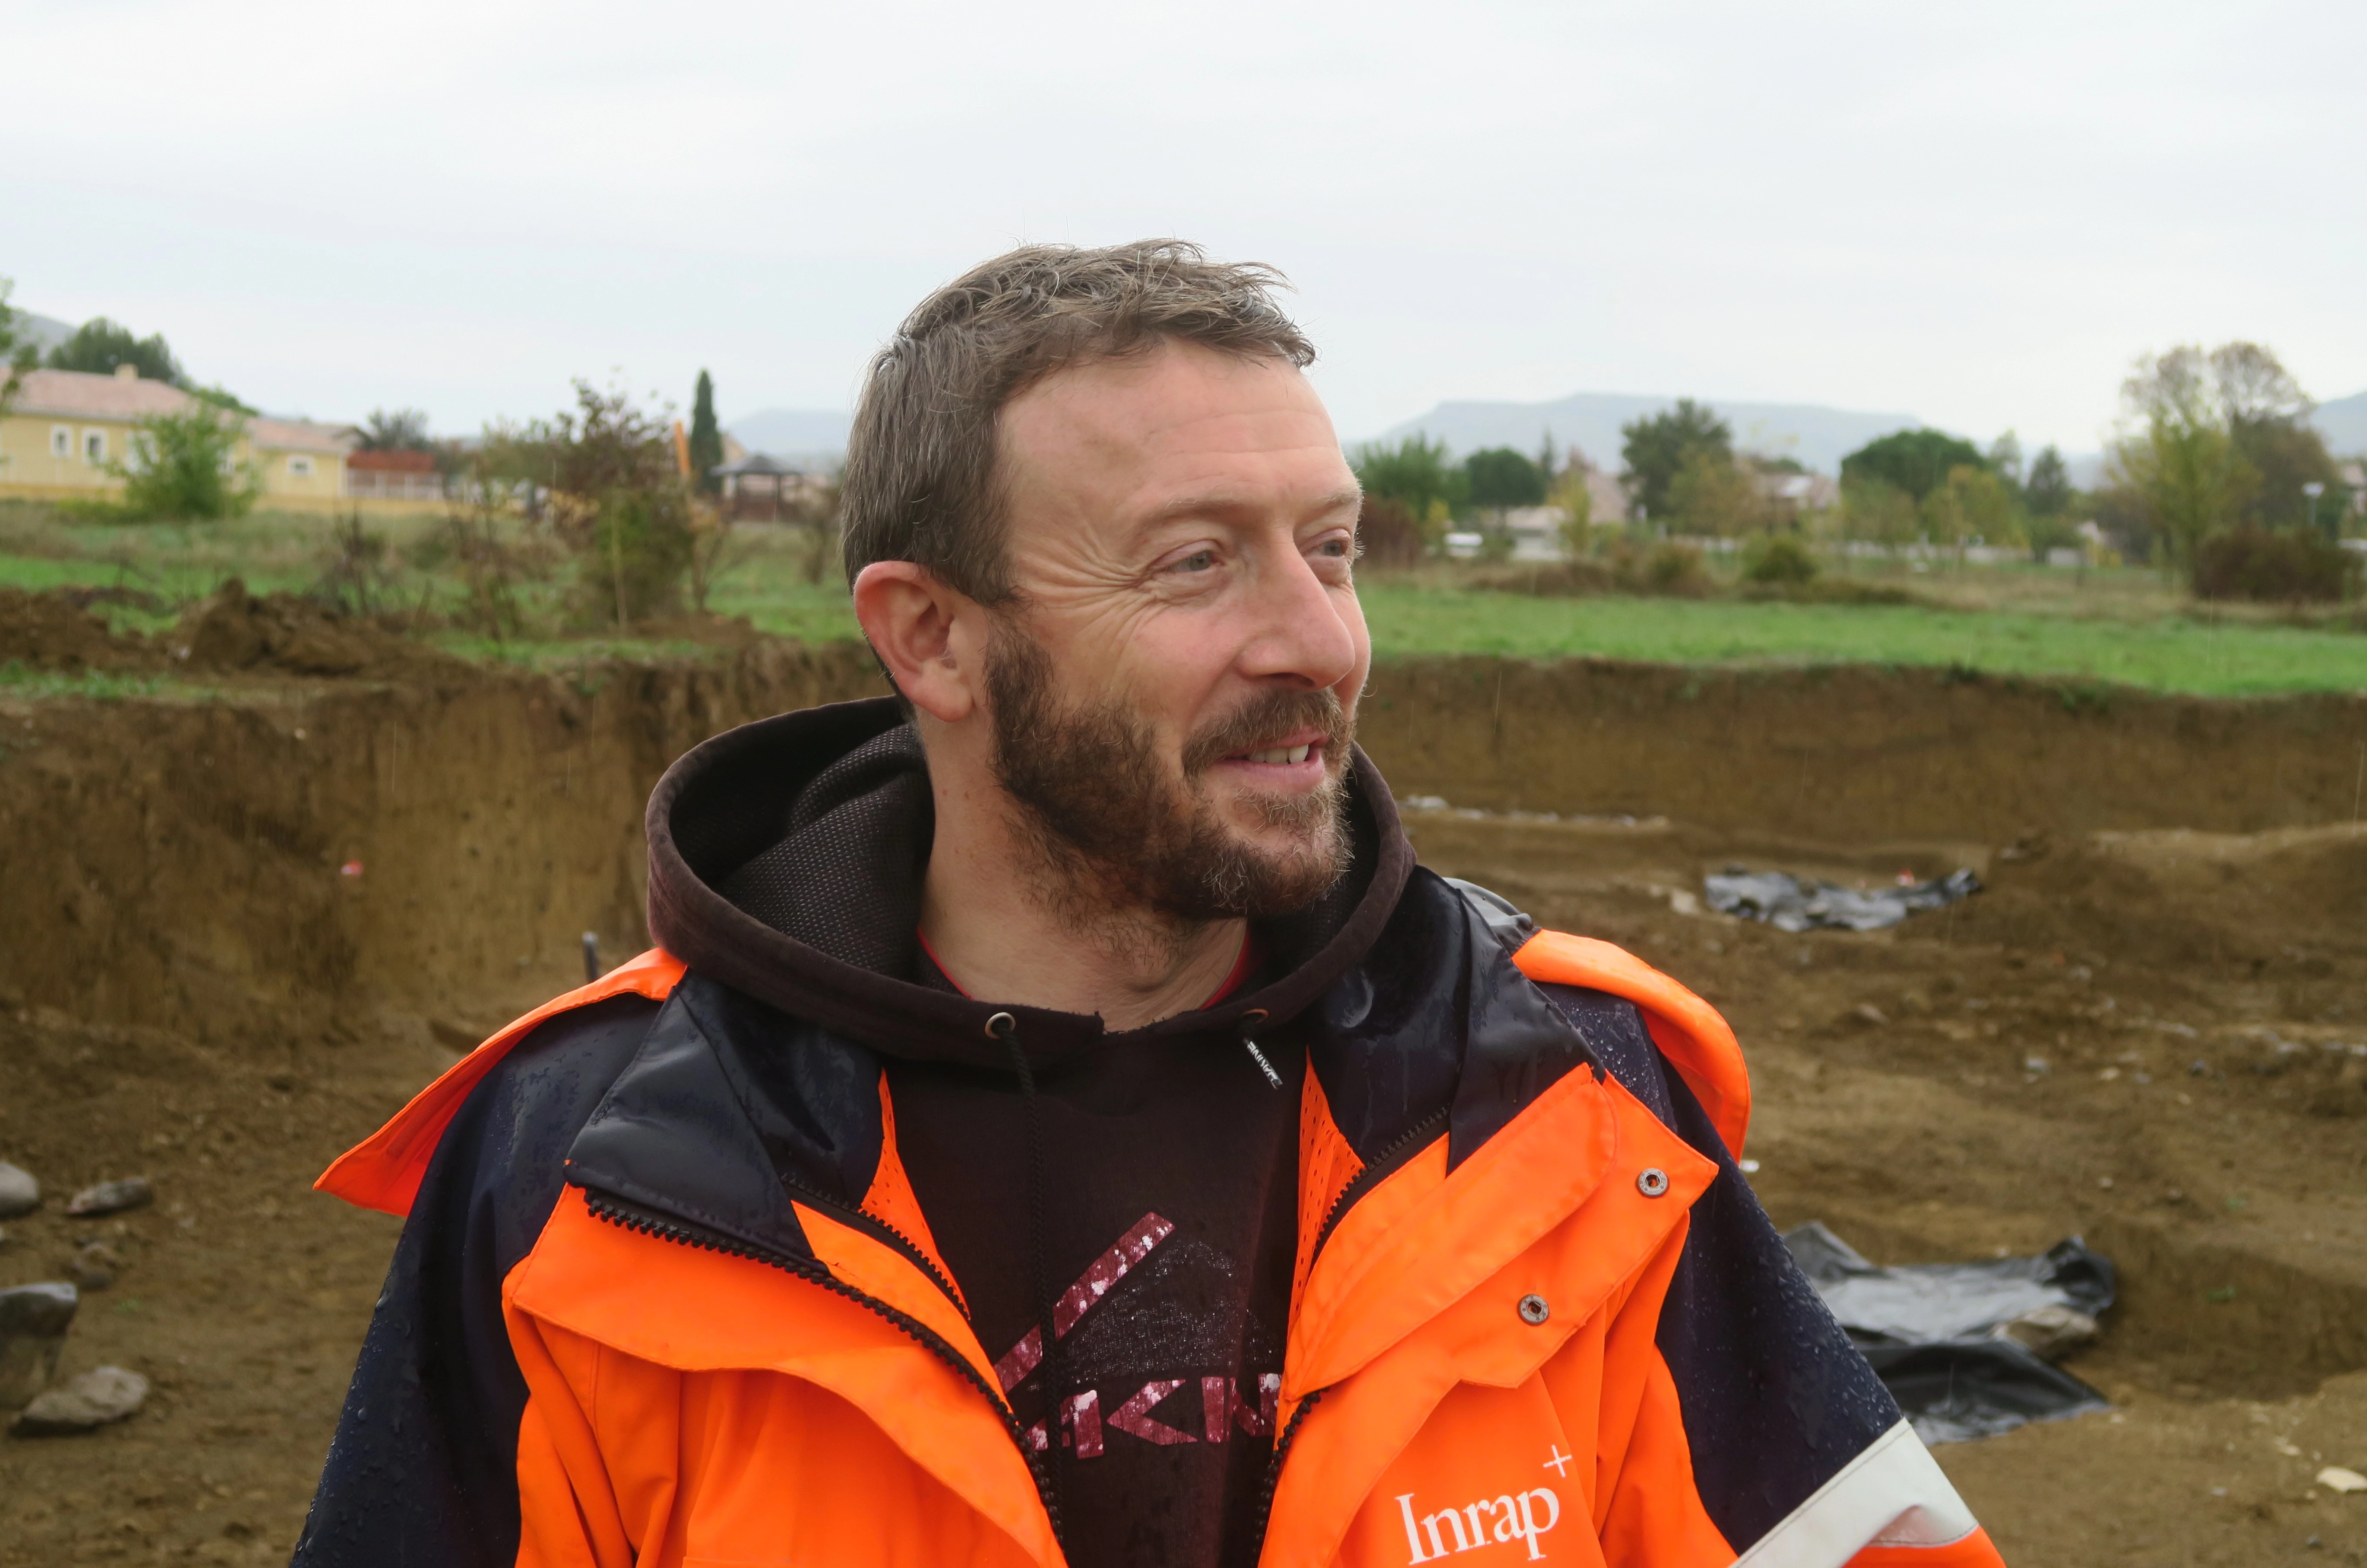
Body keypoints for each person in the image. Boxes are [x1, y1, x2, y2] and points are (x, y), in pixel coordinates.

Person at [295, 241, 2005, 1568]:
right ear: (934, 639)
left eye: (1329, 549)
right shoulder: (602, 1177)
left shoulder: (1560, 1098)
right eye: (1197, 559)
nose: (1315, 638)